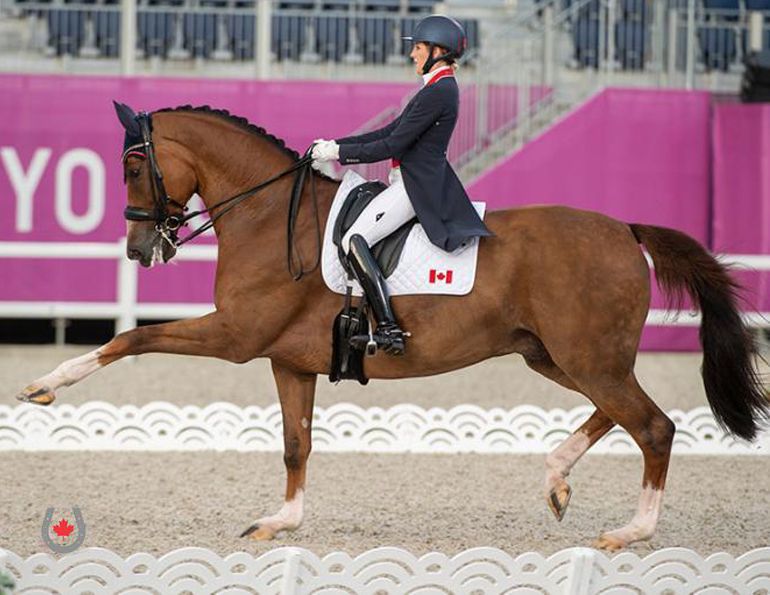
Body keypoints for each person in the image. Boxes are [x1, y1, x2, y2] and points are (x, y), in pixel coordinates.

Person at [312, 15, 493, 356]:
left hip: (415, 186)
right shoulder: (437, 87)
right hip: (412, 180)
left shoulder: (439, 91)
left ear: (438, 51)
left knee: (354, 240)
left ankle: (389, 327)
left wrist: (337, 152)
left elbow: (391, 146)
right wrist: (336, 144)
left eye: (418, 48)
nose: (412, 54)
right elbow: (388, 132)